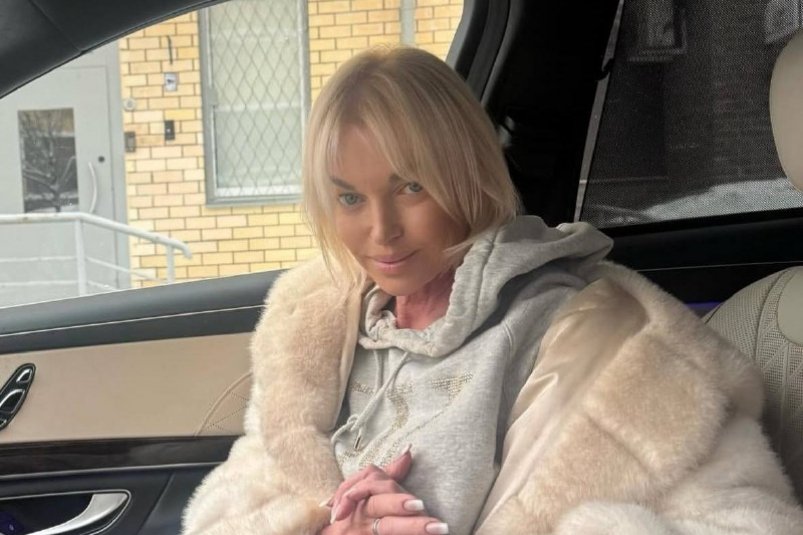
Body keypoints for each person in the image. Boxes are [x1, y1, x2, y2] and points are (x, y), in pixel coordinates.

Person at [181, 47, 803, 535]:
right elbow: (230, 509)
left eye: (411, 187)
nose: (380, 230)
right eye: (349, 197)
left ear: (467, 175)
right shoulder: (317, 333)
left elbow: (751, 524)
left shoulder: (614, 348)